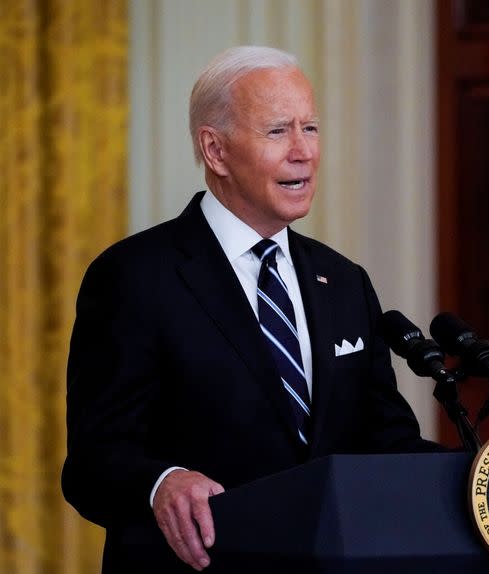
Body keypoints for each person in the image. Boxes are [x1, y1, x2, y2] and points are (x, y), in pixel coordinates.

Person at [62, 45, 435, 572]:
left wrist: (480, 473)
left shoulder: (345, 282)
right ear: (215, 151)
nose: (303, 151)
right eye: (278, 131)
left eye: (311, 128)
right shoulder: (133, 277)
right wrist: (162, 482)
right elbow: (93, 464)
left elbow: (385, 444)